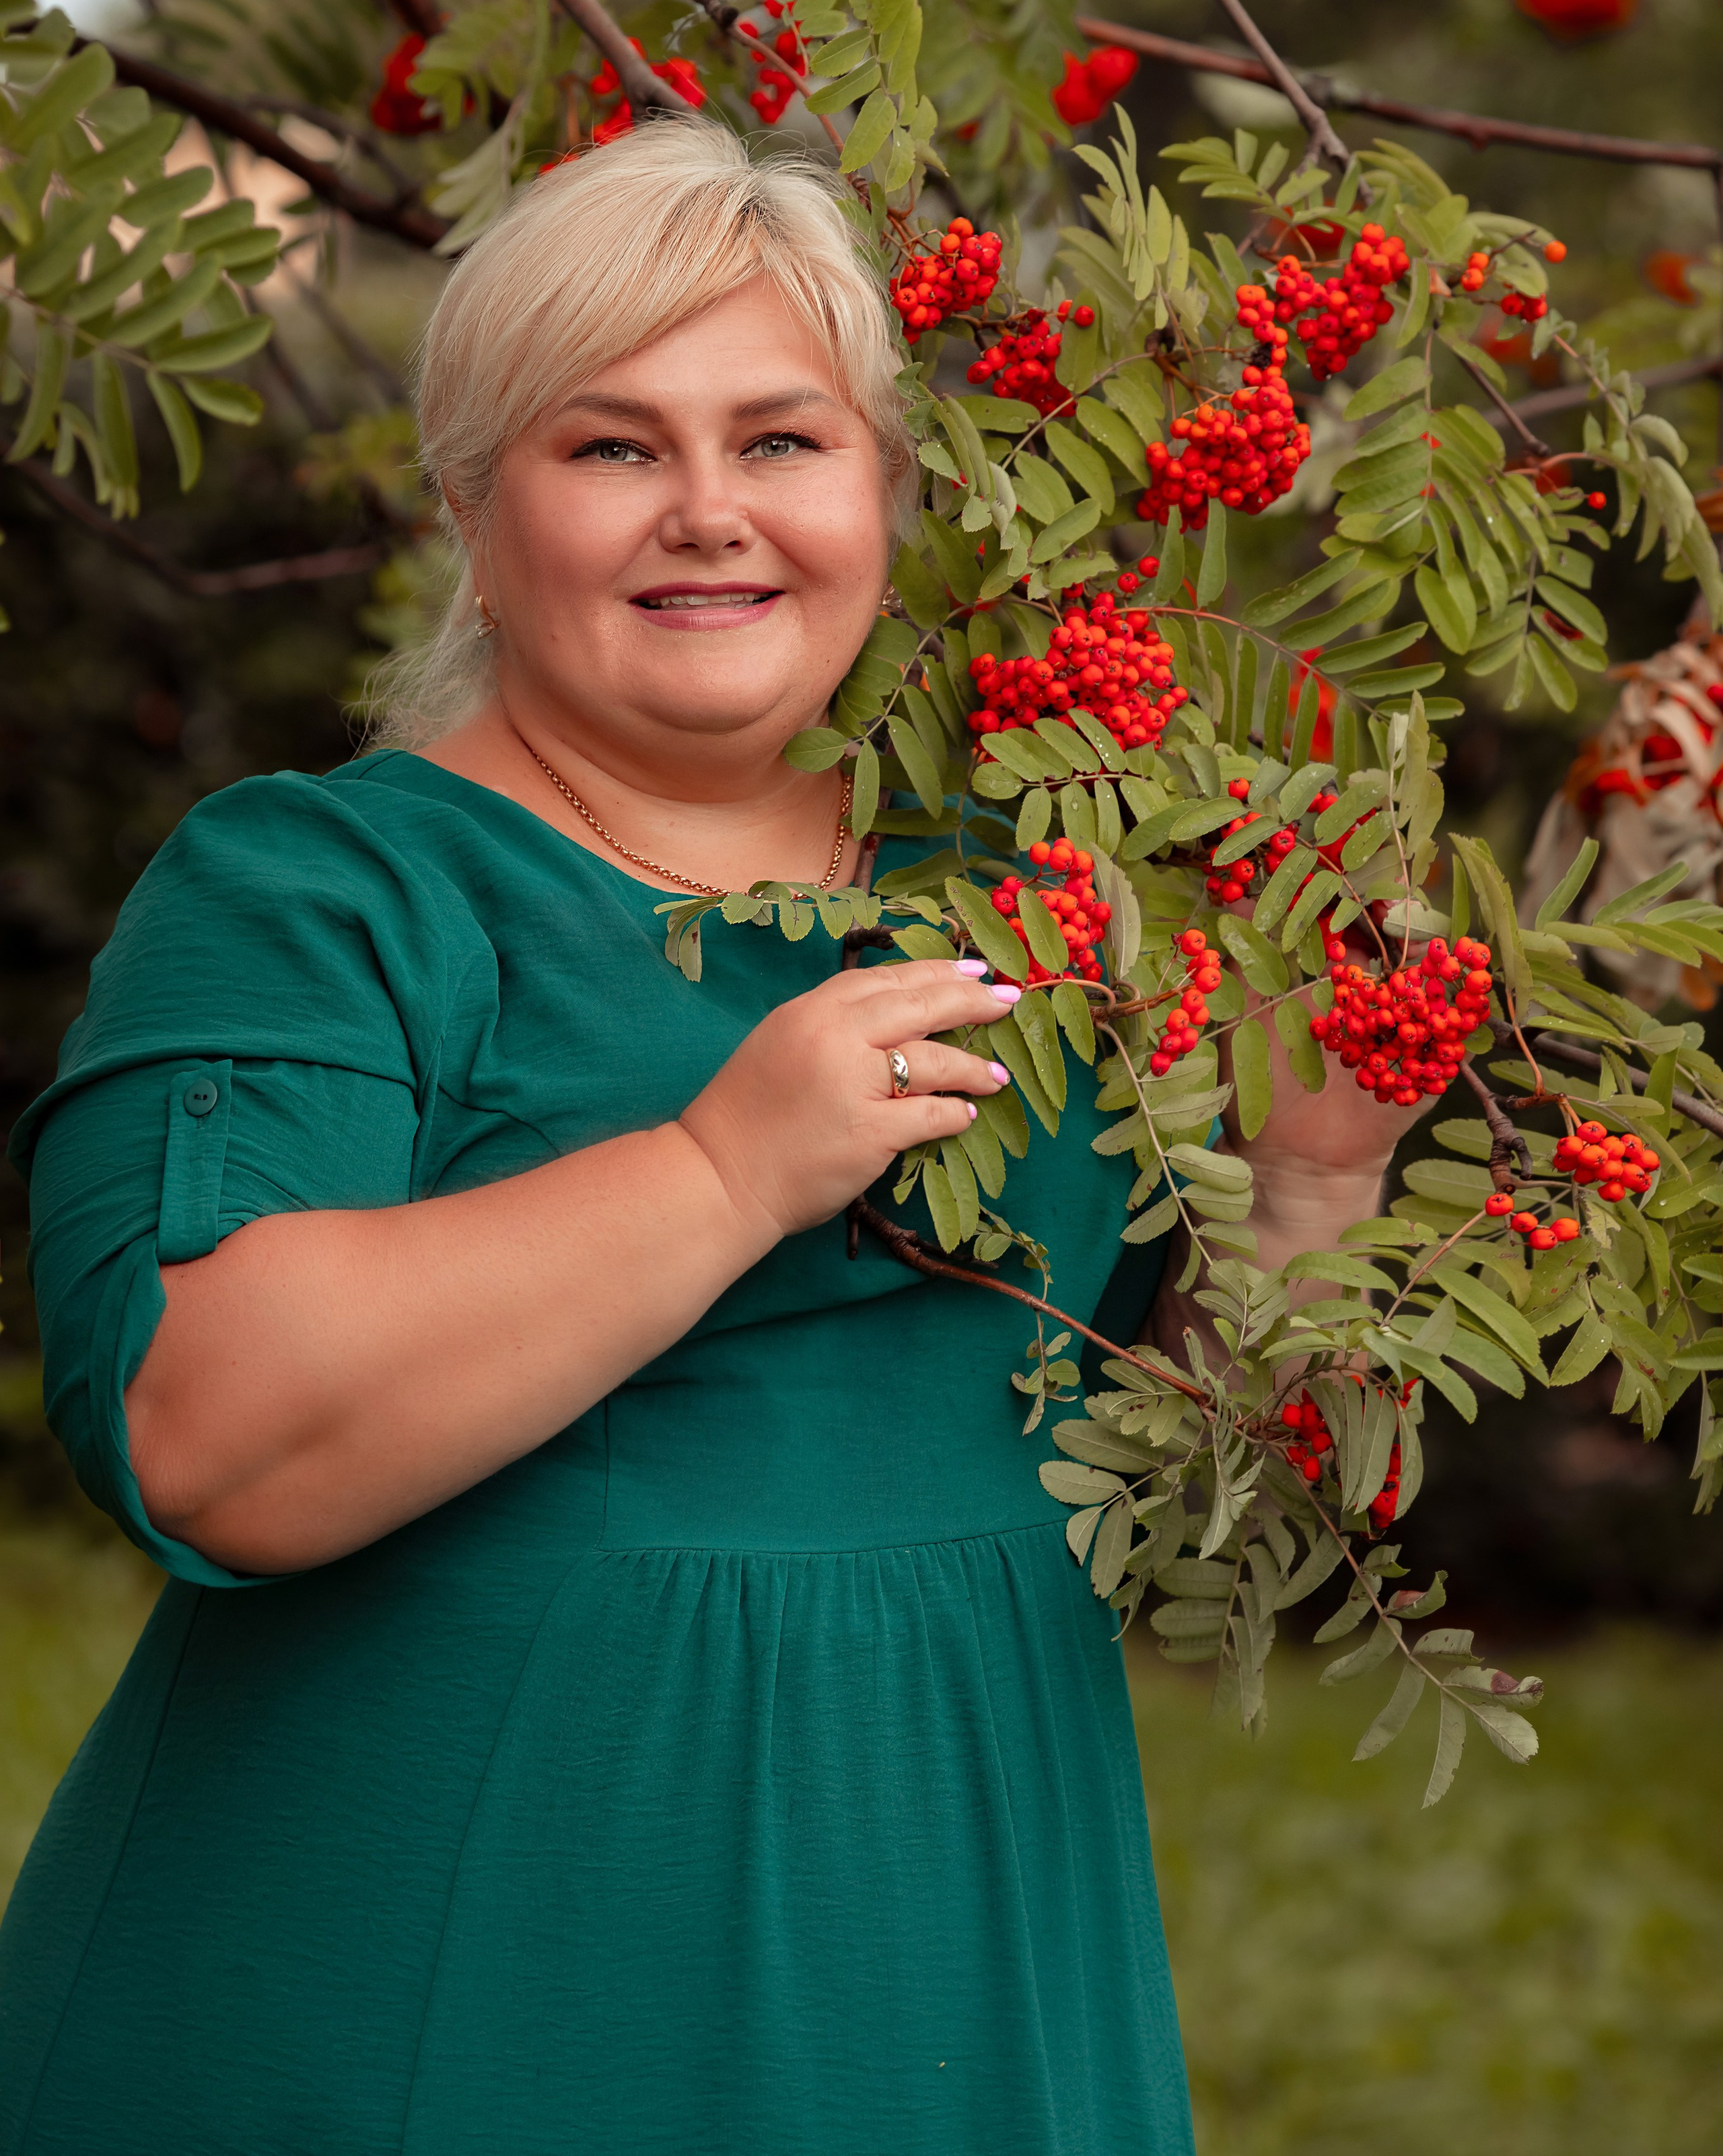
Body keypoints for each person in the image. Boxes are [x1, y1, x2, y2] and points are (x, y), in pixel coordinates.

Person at [0, 120, 1413, 2154]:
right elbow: (208, 1438)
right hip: (427, 1987)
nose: (707, 513)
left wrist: (1315, 1184)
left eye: (780, 441)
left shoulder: (1045, 893)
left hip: (952, 1965)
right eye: (611, 448)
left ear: (885, 494)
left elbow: (1206, 1538)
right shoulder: (322, 892)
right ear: (476, 520)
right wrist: (721, 1168)